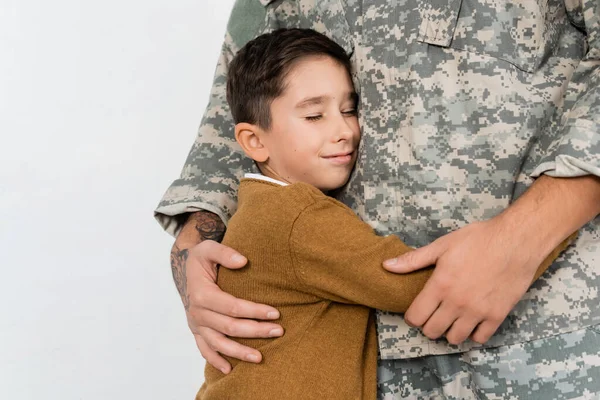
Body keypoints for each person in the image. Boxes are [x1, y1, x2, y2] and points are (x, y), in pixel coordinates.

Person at [156, 1, 600, 398]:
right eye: (315, 115)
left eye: (349, 110)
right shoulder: (295, 217)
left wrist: (525, 236)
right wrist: (194, 259)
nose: (346, 130)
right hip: (370, 360)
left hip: (543, 345)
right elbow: (231, 117)